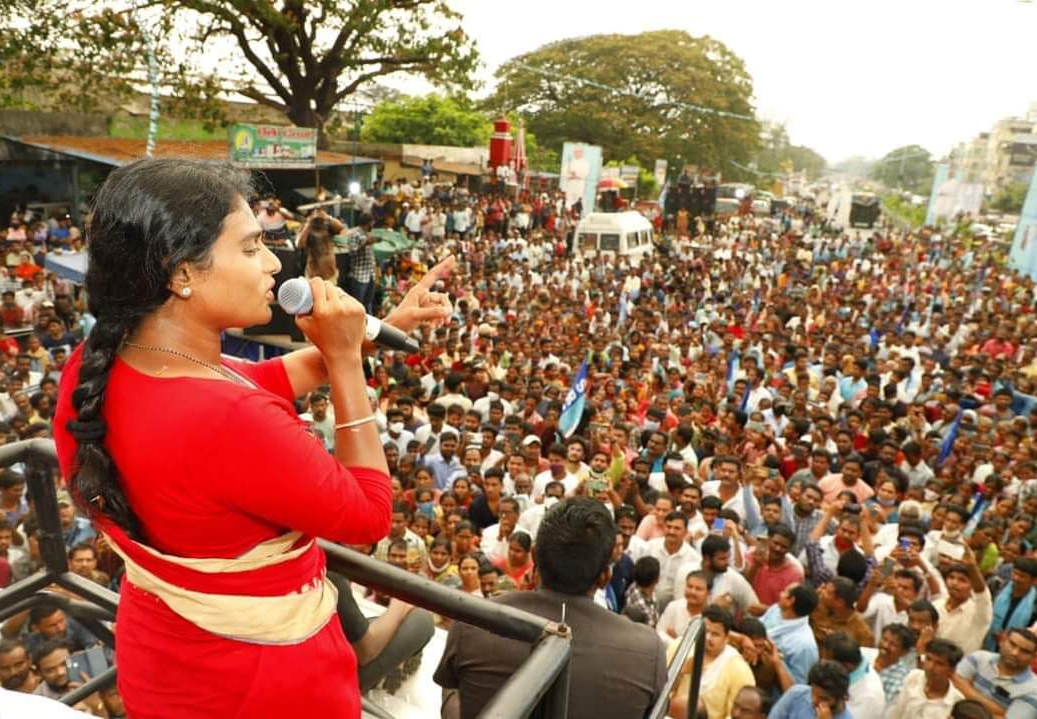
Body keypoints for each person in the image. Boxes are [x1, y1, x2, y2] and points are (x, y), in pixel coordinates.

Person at [50, 159, 451, 718]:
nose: (274, 264)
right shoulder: (229, 417)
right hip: (260, 683)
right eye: (251, 247)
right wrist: (343, 362)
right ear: (182, 272)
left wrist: (377, 331)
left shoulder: (97, 366)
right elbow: (368, 513)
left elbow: (264, 377)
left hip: (167, 656)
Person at [435, 496, 667, 718]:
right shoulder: (647, 651)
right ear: (605, 576)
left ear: (534, 557)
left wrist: (450, 694)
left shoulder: (474, 622)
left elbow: (453, 700)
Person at [674, 605, 757, 719]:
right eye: (705, 631)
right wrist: (680, 672)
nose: (707, 638)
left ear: (727, 638)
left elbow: (736, 715)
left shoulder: (740, 670)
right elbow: (661, 692)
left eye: (715, 634)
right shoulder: (680, 648)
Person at [953, 628, 1037, 719]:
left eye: (1024, 651)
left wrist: (966, 689)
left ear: (1034, 658)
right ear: (1002, 641)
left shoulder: (1035, 692)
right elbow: (951, 685)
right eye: (1012, 644)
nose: (1015, 653)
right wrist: (1001, 711)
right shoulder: (979, 658)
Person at [885, 638, 964, 719]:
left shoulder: (956, 702)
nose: (930, 667)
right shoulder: (914, 677)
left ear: (952, 670)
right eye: (928, 659)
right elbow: (897, 713)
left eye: (939, 663)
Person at [761, 582, 820, 684]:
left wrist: (777, 662)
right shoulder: (776, 609)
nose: (780, 593)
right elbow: (759, 625)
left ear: (790, 601)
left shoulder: (805, 645)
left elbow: (798, 687)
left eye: (785, 591)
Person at [768, 660, 852, 719]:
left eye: (823, 698)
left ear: (839, 698)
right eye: (813, 693)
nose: (814, 700)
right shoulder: (796, 694)